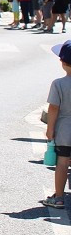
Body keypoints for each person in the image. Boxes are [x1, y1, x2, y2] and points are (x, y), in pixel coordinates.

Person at [43, 41, 71, 209]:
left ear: (62, 62)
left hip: (65, 131)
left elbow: (53, 108)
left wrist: (50, 129)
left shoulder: (58, 84)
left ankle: (59, 197)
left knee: (62, 162)